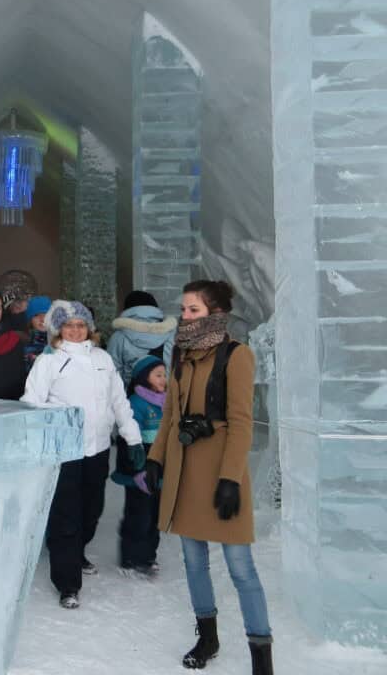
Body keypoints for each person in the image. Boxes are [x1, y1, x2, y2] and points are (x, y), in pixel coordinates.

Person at [144, 280, 273, 674]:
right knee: (193, 561)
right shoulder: (180, 354)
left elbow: (240, 422)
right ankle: (208, 636)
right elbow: (169, 415)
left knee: (240, 567)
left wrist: (232, 479)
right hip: (185, 472)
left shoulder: (237, 356)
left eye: (193, 310)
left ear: (215, 314)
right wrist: (156, 458)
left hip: (220, 473)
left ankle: (261, 656)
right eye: (183, 309)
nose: (185, 316)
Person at [22, 300, 144, 609]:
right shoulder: (49, 362)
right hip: (65, 449)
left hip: (98, 448)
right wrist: (63, 413)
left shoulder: (102, 358)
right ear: (58, 329)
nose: (75, 331)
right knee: (66, 514)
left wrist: (132, 437)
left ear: (89, 328)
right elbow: (31, 402)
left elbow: (119, 401)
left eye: (80, 325)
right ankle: (67, 582)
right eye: (69, 325)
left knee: (92, 508)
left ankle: (76, 551)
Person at [111, 355, 166, 576]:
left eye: (164, 374)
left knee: (155, 515)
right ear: (144, 378)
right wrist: (138, 470)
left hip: (160, 471)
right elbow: (128, 442)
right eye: (158, 375)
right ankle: (130, 556)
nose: (163, 379)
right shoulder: (135, 403)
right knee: (138, 515)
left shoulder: (167, 402)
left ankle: (148, 555)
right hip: (139, 473)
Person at [107, 290, 177, 387]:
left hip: (132, 399)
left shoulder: (118, 337)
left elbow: (112, 375)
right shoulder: (172, 335)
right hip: (165, 398)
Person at [24, 295, 53, 372]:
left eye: (46, 314)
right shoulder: (25, 344)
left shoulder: (62, 341)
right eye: (36, 315)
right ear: (30, 320)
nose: (42, 319)